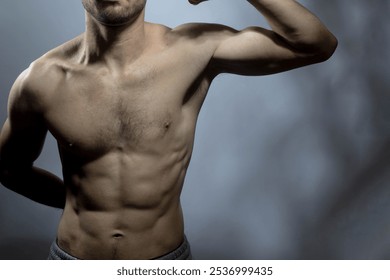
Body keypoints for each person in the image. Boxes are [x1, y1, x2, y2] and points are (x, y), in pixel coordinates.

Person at [0, 0, 337, 260]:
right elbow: (8, 168)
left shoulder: (192, 51)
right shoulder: (41, 81)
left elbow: (314, 43)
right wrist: (78, 201)